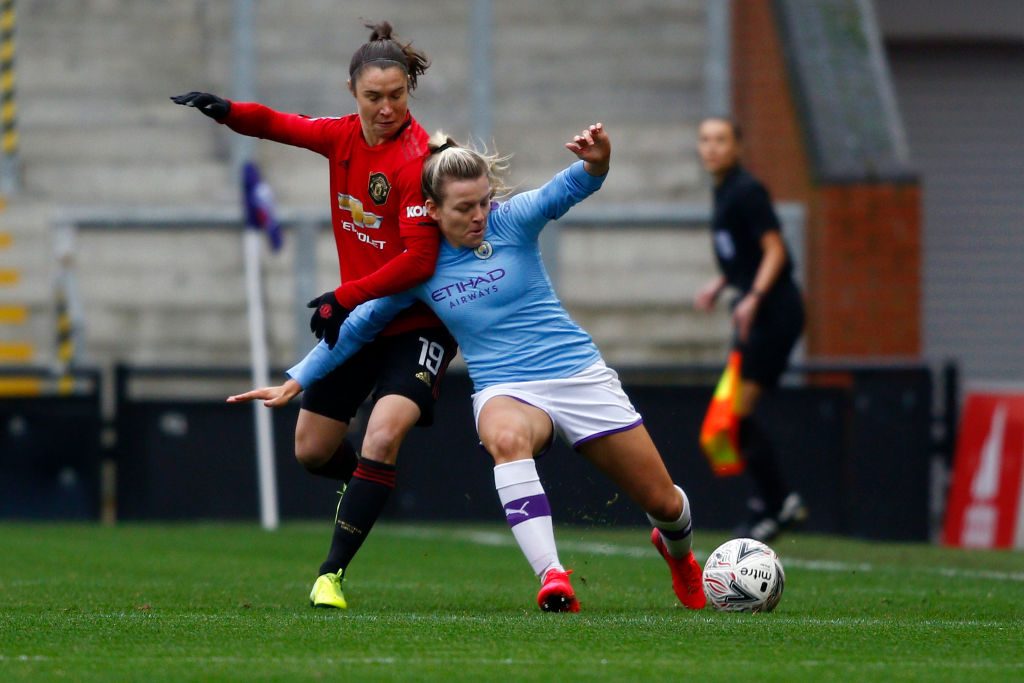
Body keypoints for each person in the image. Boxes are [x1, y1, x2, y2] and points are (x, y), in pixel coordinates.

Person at [229, 122, 707, 613]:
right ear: (432, 210)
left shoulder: (512, 220)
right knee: (506, 439)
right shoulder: (420, 265)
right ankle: (552, 576)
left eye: (483, 202)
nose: (479, 216)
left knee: (664, 503)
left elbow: (569, 187)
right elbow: (359, 325)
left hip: (577, 374)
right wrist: (296, 380)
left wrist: (597, 160)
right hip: (504, 388)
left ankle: (679, 556)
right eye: (464, 208)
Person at [173, 21, 458, 609]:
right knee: (311, 450)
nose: (386, 108)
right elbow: (281, 124)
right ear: (352, 92)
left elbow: (419, 261)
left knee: (382, 433)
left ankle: (331, 575)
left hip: (416, 324)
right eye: (374, 97)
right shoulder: (342, 137)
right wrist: (227, 111)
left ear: (409, 90)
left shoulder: (416, 161)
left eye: (397, 95)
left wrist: (345, 296)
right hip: (360, 320)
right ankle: (369, 482)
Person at [694, 116, 808, 542]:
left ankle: (776, 504)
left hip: (774, 311)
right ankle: (774, 503)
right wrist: (722, 283)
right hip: (756, 311)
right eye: (705, 140)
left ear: (738, 147)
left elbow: (775, 250)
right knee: (733, 417)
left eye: (721, 139)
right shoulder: (724, 190)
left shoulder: (747, 190)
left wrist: (754, 296)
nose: (712, 147)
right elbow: (744, 254)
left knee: (737, 414)